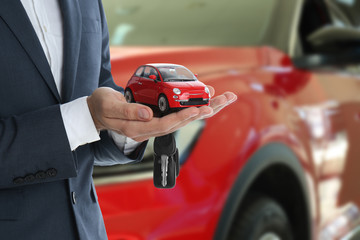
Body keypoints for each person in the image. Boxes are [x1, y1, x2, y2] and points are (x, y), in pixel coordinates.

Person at [0, 0, 237, 239]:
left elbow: (100, 90)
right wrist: (87, 117)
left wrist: (126, 126)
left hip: (89, 230)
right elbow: (86, 114)